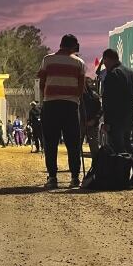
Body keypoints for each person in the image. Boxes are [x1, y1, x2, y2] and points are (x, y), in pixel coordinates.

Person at [38, 34, 86, 189]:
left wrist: (46, 95)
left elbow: (42, 82)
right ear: (74, 46)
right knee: (73, 143)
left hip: (51, 105)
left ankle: (52, 178)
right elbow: (81, 87)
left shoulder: (47, 60)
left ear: (60, 45)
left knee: (50, 143)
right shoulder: (79, 63)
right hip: (70, 106)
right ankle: (74, 178)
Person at [101, 48, 133, 186]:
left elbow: (108, 101)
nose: (104, 65)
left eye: (104, 62)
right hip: (130, 114)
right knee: (128, 143)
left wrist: (107, 122)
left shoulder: (112, 74)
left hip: (117, 117)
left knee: (119, 147)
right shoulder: (131, 73)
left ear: (108, 59)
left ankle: (121, 176)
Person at [81, 77, 102, 160]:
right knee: (75, 147)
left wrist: (94, 120)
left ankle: (96, 166)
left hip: (92, 124)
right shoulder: (76, 96)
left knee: (94, 147)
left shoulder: (94, 95)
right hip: (80, 124)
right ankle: (75, 168)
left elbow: (100, 109)